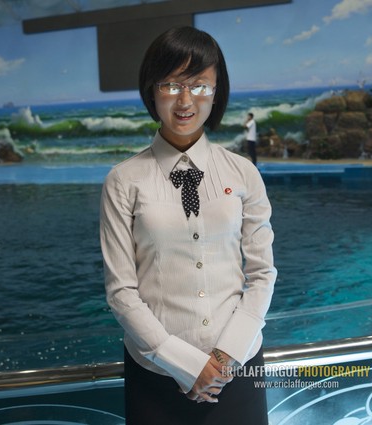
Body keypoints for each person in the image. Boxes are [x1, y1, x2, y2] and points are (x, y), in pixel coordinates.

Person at [99, 26, 276, 425]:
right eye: (171, 85)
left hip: (239, 368)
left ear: (217, 91)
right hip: (156, 375)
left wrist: (224, 356)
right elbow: (121, 290)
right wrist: (182, 362)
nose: (185, 100)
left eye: (199, 86)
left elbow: (262, 275)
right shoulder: (123, 181)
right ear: (152, 91)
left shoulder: (244, 173)